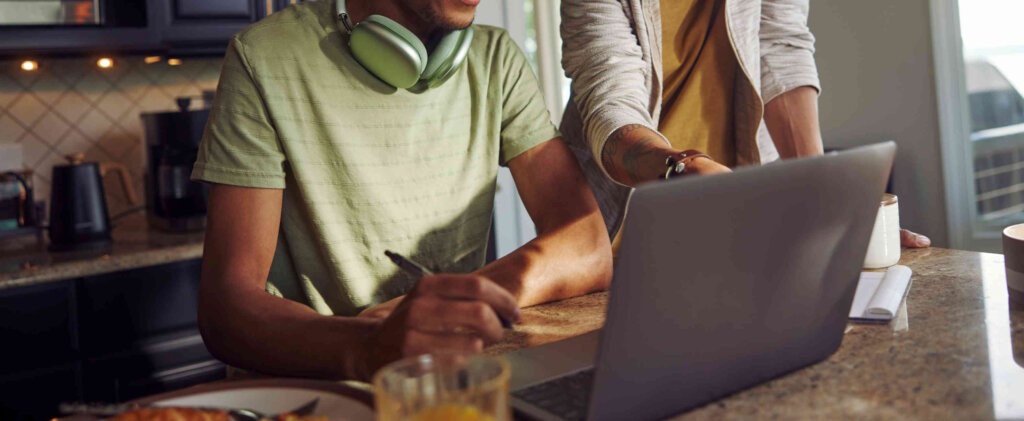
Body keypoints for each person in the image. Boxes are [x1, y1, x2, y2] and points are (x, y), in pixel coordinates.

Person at [191, 0, 612, 381]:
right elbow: (227, 311)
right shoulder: (262, 56)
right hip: (319, 393)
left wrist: (450, 305)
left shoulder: (496, 58)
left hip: (446, 382)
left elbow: (588, 246)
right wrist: (366, 347)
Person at [559, 0, 931, 249]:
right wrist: (683, 167)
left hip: (746, 222)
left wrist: (827, 204)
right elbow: (611, 104)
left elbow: (780, 47)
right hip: (623, 225)